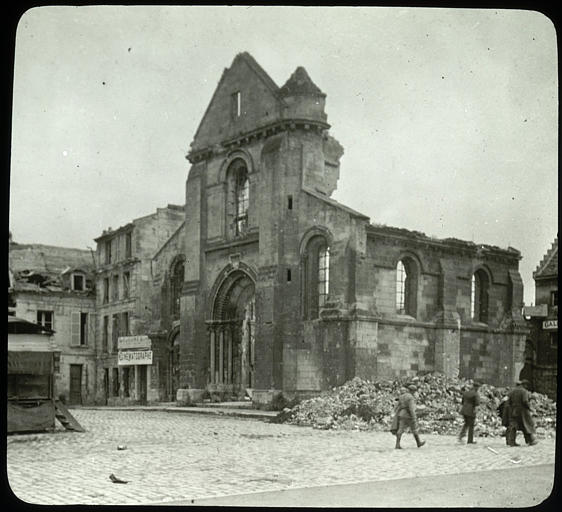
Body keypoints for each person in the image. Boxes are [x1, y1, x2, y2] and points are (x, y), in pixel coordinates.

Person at [506, 379, 538, 447]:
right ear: (525, 385)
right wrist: (530, 408)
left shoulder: (512, 391)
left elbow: (508, 400)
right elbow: (525, 401)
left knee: (513, 426)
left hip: (514, 410)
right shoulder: (524, 391)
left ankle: (511, 442)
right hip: (523, 411)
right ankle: (530, 441)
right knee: (527, 425)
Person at [395, 384, 425, 449]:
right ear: (413, 391)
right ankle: (418, 443)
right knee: (414, 429)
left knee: (400, 429)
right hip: (408, 415)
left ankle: (397, 444)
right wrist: (414, 417)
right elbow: (411, 408)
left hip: (401, 414)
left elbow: (398, 406)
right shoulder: (410, 397)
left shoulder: (402, 396)